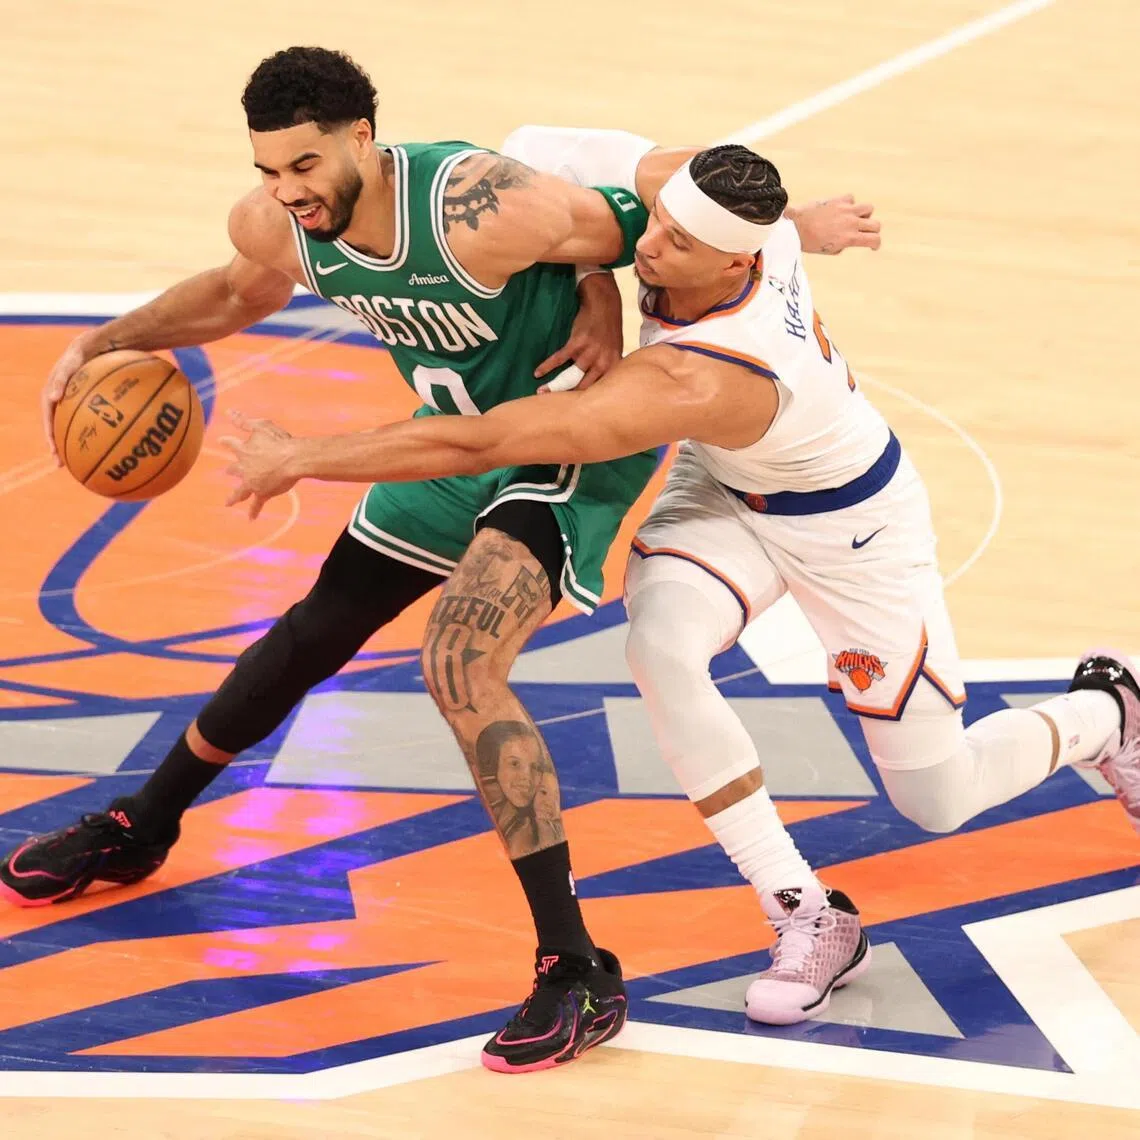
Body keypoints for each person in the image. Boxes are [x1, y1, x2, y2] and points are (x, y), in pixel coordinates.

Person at [0, 47, 876, 1069]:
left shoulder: (477, 205)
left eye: (305, 166)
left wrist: (710, 253)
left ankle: (577, 968)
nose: (287, 192)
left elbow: (644, 222)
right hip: (453, 439)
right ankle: (143, 824)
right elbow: (235, 292)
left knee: (461, 660)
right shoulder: (284, 222)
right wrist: (110, 339)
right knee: (310, 634)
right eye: (268, 171)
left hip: (562, 444)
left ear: (363, 142)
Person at [219, 141, 1140, 1031]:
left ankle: (1110, 714)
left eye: (676, 244)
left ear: (738, 255)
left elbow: (487, 441)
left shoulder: (701, 376)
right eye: (657, 221)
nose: (648, 246)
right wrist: (603, 281)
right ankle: (807, 913)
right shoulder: (726, 217)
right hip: (725, 491)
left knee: (938, 799)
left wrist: (305, 456)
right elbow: (557, 163)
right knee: (659, 646)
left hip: (853, 527)